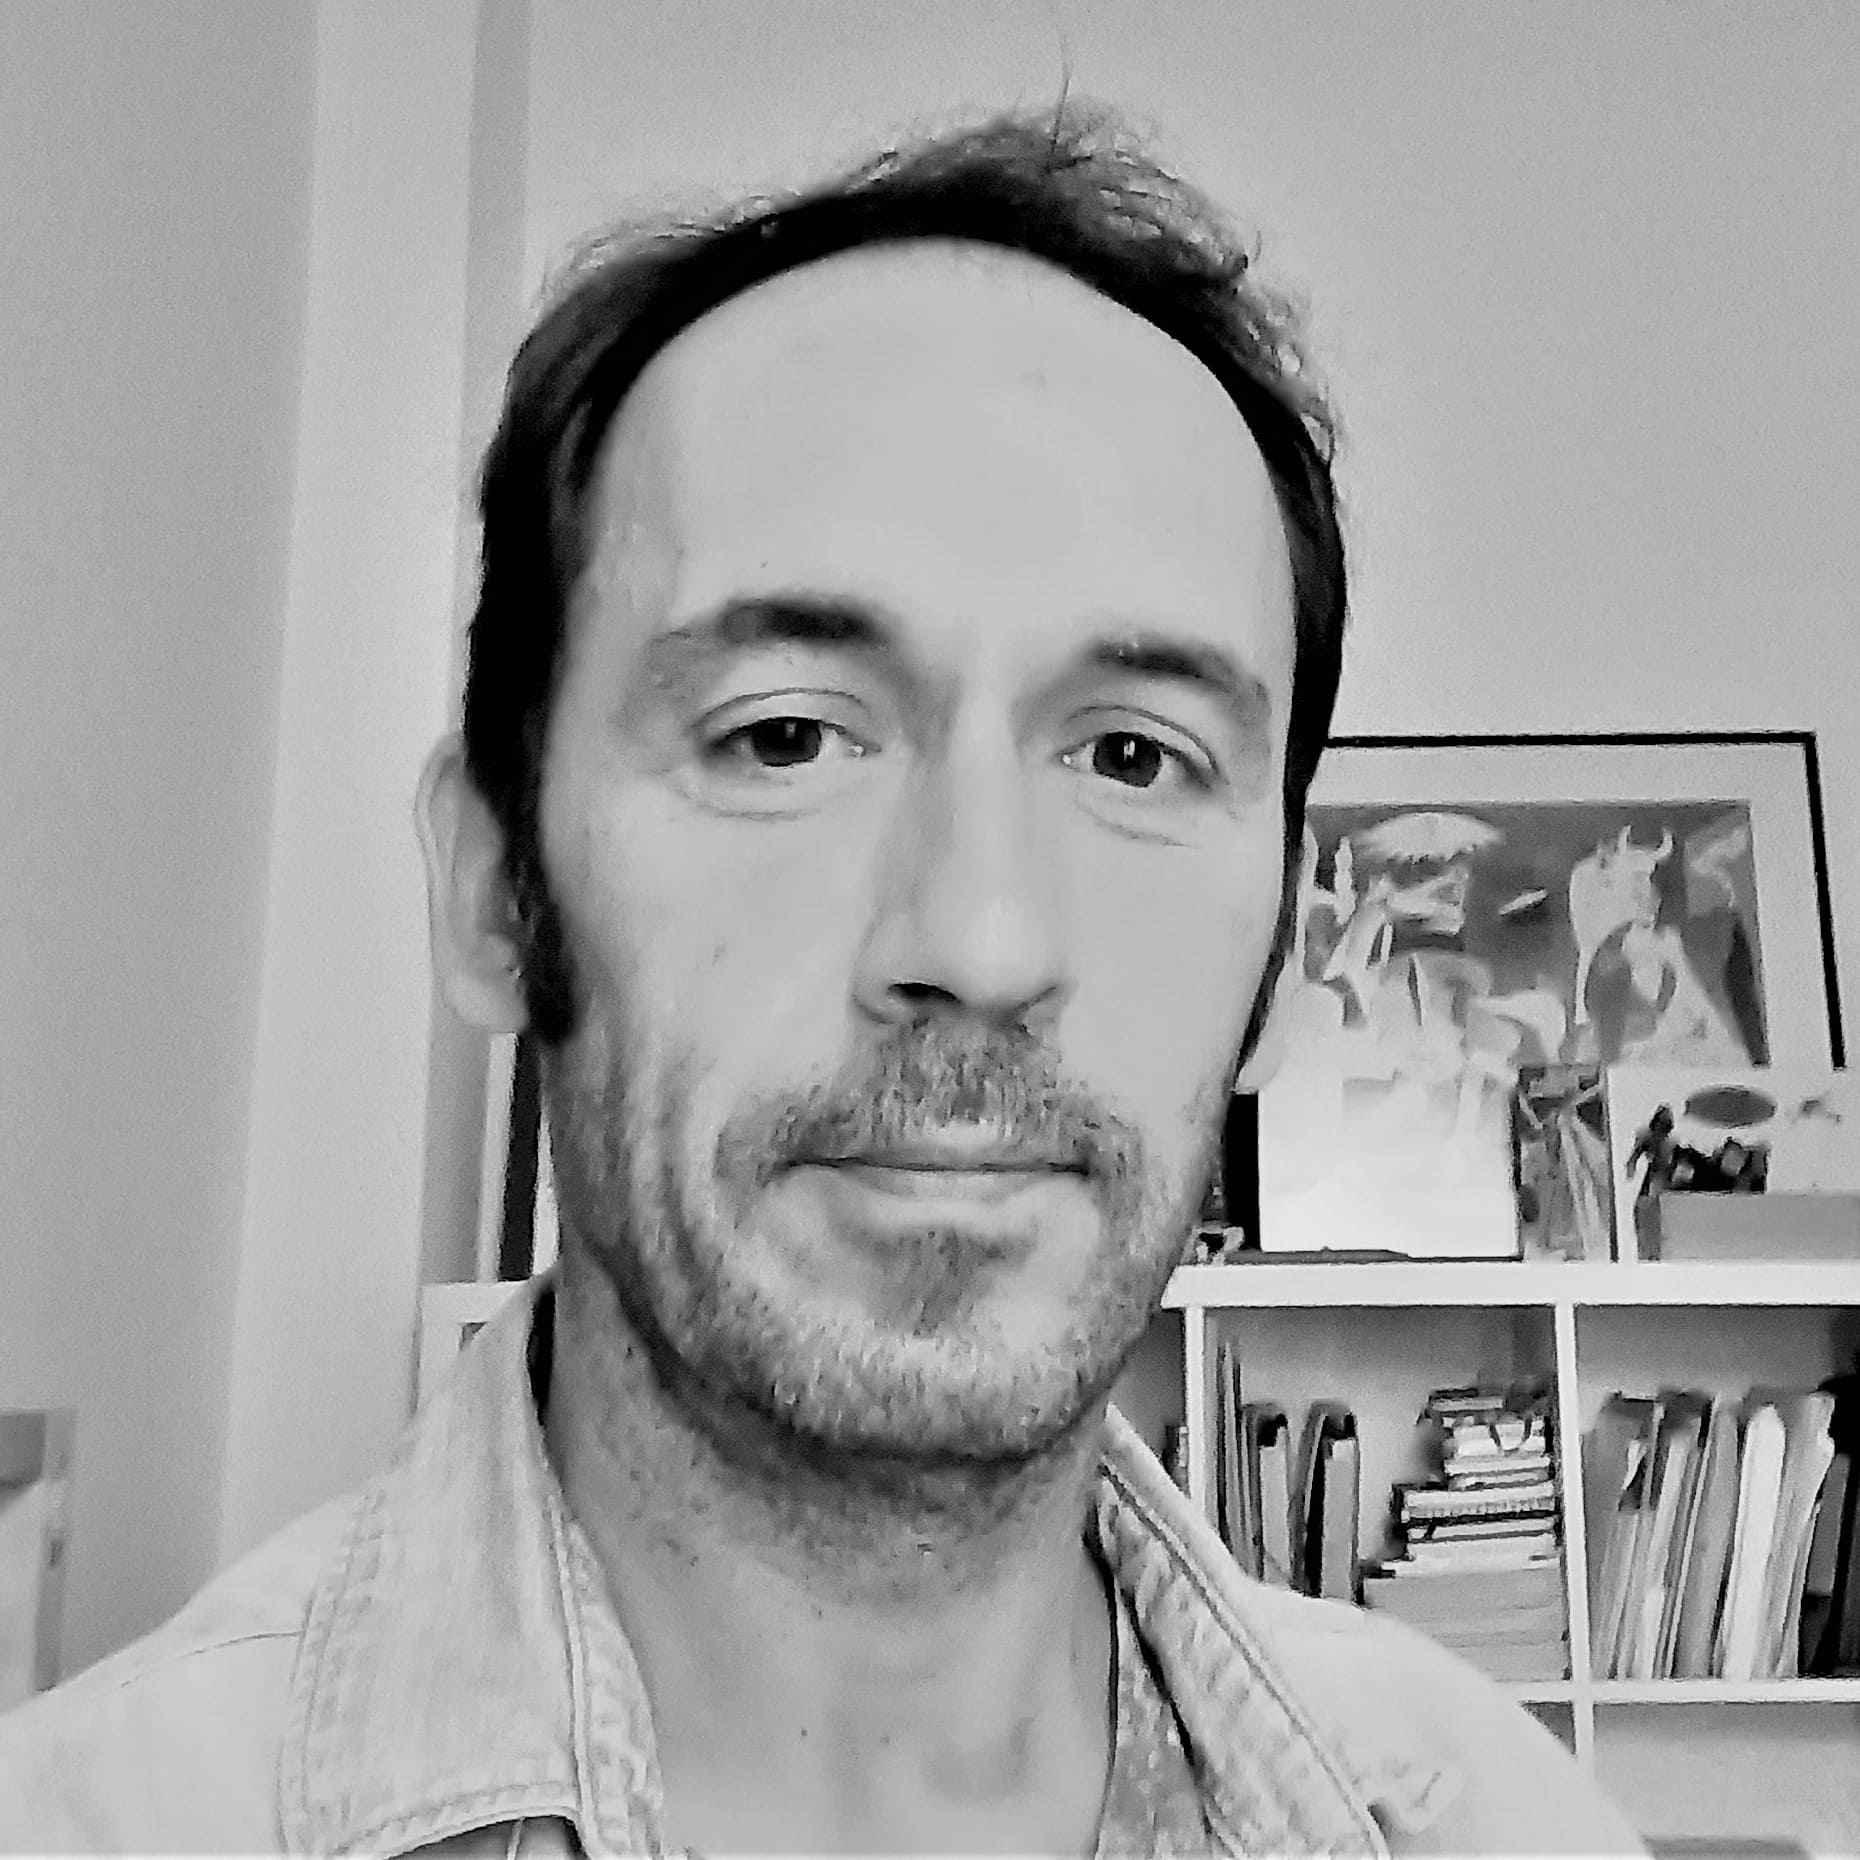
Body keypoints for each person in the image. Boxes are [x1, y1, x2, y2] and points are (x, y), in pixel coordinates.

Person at [0, 105, 1643, 1856]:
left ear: (1285, 956)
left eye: (1136, 758)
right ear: (494, 893)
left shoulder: (1507, 1824)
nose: (982, 942)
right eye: (783, 737)